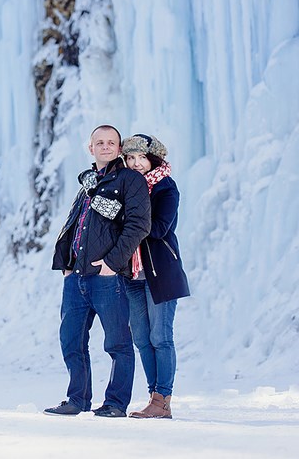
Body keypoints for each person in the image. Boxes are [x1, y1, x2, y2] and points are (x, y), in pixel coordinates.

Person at [45, 125, 151, 418]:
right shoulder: (88, 183)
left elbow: (139, 225)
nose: (105, 147)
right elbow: (75, 223)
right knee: (71, 340)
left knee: (117, 343)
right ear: (90, 148)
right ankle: (77, 399)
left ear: (119, 148)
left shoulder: (130, 180)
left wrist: (111, 264)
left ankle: (116, 403)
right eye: (99, 142)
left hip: (107, 278)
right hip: (76, 277)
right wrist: (65, 264)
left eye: (111, 143)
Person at [120, 134, 191, 419]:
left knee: (161, 336)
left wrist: (128, 218)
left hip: (160, 272)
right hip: (132, 274)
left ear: (153, 160)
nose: (137, 164)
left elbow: (160, 228)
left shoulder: (165, 188)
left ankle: (163, 399)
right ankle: (154, 397)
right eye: (131, 158)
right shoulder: (126, 189)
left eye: (142, 158)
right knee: (141, 338)